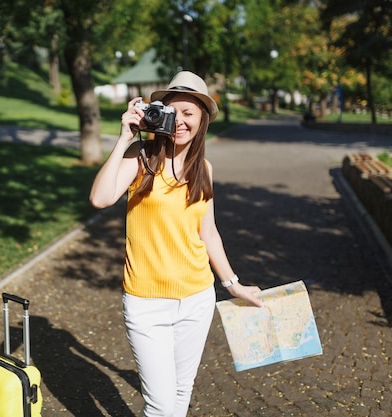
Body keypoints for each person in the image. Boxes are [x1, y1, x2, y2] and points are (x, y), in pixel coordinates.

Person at [89, 71, 263, 417]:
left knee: (181, 393)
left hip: (197, 299)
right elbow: (100, 198)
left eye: (190, 114)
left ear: (202, 122)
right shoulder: (141, 157)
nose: (181, 122)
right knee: (161, 405)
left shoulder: (204, 169)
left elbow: (208, 232)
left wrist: (233, 285)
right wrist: (124, 138)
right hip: (146, 302)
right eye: (174, 112)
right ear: (160, 113)